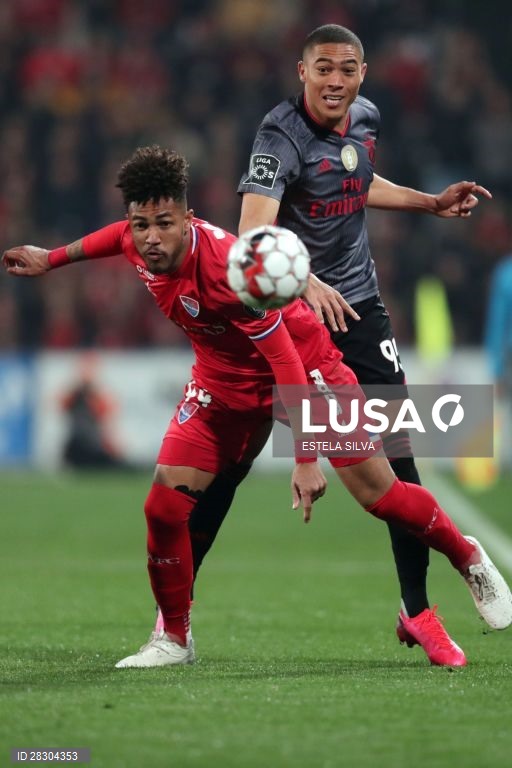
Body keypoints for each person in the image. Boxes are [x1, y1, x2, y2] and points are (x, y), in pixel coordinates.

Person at [3, 145, 511, 669]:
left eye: (164, 224)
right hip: (222, 382)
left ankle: (466, 555)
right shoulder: (137, 240)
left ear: (188, 219)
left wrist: (305, 459)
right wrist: (51, 258)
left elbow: (284, 359)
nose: (150, 237)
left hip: (306, 369)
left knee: (381, 497)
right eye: (141, 225)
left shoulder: (229, 273)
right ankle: (174, 639)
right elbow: (112, 238)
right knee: (162, 507)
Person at [231, 23, 494, 666]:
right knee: (232, 465)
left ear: (363, 74)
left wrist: (429, 203)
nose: (335, 81)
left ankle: (418, 612)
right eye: (323, 68)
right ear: (302, 71)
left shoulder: (367, 119)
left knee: (401, 459)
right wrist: (306, 281)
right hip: (295, 316)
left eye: (346, 69)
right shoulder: (278, 136)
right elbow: (252, 234)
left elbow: (359, 183)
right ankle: (172, 624)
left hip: (360, 311)